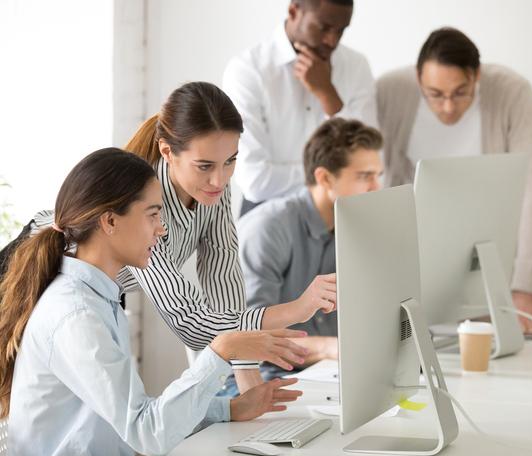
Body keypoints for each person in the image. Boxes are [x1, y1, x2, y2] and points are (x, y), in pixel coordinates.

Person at [0, 148, 308, 456]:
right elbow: (146, 431)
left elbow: (135, 416)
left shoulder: (99, 297)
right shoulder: (76, 314)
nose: (161, 230)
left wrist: (231, 410)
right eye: (152, 215)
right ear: (110, 221)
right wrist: (222, 350)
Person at [24, 82, 337, 392]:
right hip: (33, 280)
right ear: (167, 152)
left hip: (94, 299)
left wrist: (247, 377)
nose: (220, 178)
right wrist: (295, 309)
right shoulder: (143, 205)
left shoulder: (212, 188)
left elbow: (222, 276)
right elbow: (191, 323)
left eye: (230, 161)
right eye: (204, 166)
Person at [376, 27, 532, 334]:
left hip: (484, 259)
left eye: (460, 93)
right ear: (418, 78)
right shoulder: (389, 91)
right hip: (410, 263)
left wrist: (525, 283)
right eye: (435, 95)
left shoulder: (512, 91)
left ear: (477, 76)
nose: (448, 107)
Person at [219, 118, 383, 395]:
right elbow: (249, 339)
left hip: (324, 376)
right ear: (325, 178)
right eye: (364, 176)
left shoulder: (357, 226)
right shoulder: (269, 229)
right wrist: (331, 347)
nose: (376, 188)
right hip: (256, 381)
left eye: (378, 175)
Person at [223, 0, 377, 215]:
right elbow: (254, 179)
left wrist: (328, 95)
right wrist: (333, 176)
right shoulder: (248, 71)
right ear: (294, 11)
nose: (332, 41)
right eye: (324, 27)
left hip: (340, 217)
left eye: (341, 30)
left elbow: (367, 161)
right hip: (268, 217)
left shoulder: (356, 66)